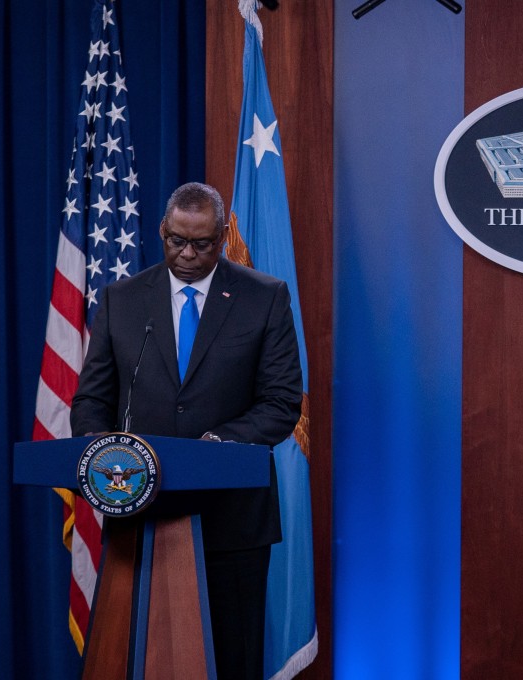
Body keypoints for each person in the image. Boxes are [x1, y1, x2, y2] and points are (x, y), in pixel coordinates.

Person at [71, 182, 303, 679]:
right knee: (139, 660)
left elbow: (282, 403)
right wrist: (104, 449)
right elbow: (92, 400)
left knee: (233, 659)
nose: (188, 254)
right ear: (162, 231)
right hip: (141, 514)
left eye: (202, 243)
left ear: (222, 236)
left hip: (232, 521)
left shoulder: (264, 298)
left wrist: (216, 445)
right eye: (177, 240)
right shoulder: (123, 300)